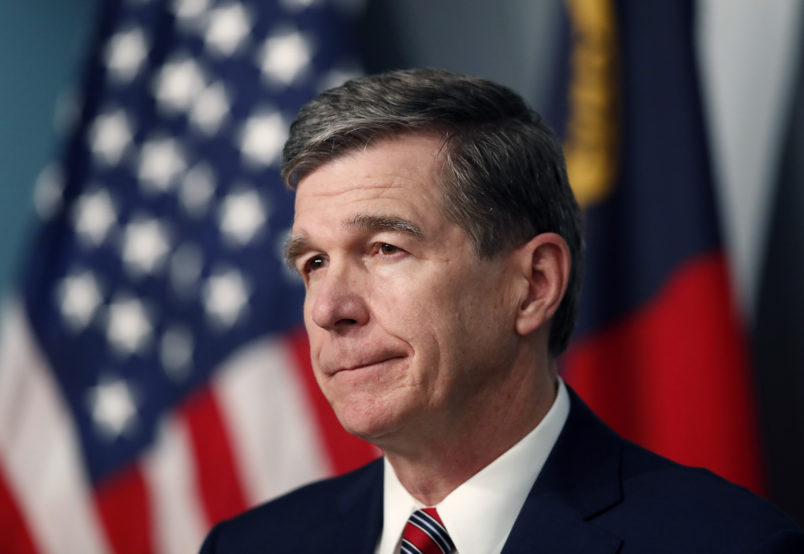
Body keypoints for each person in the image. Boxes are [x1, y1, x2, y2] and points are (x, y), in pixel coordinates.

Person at [200, 68, 803, 553]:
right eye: (314, 264)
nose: (330, 308)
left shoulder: (726, 544)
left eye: (385, 248)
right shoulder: (249, 544)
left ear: (534, 284)